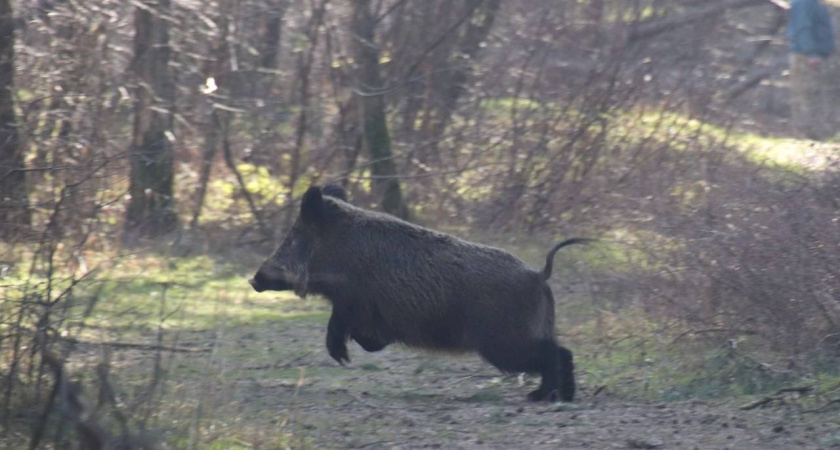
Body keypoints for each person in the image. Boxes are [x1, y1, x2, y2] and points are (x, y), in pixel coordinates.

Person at [787, 0, 836, 140]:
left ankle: (812, 134)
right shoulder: (805, 2)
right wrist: (812, 53)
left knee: (813, 95)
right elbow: (803, 28)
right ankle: (805, 136)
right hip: (806, 56)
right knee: (806, 95)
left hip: (811, 55)